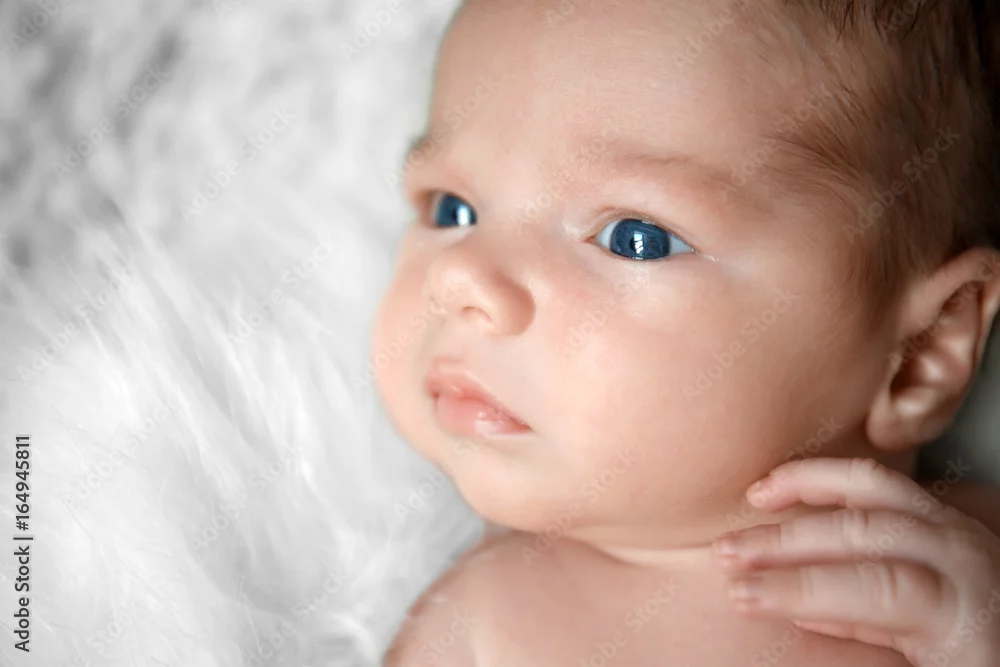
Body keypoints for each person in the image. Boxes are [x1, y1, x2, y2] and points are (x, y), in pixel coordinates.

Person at [371, 0, 1000, 664]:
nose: (459, 276)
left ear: (921, 353)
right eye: (452, 209)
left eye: (634, 238)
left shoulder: (981, 575)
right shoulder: (482, 628)